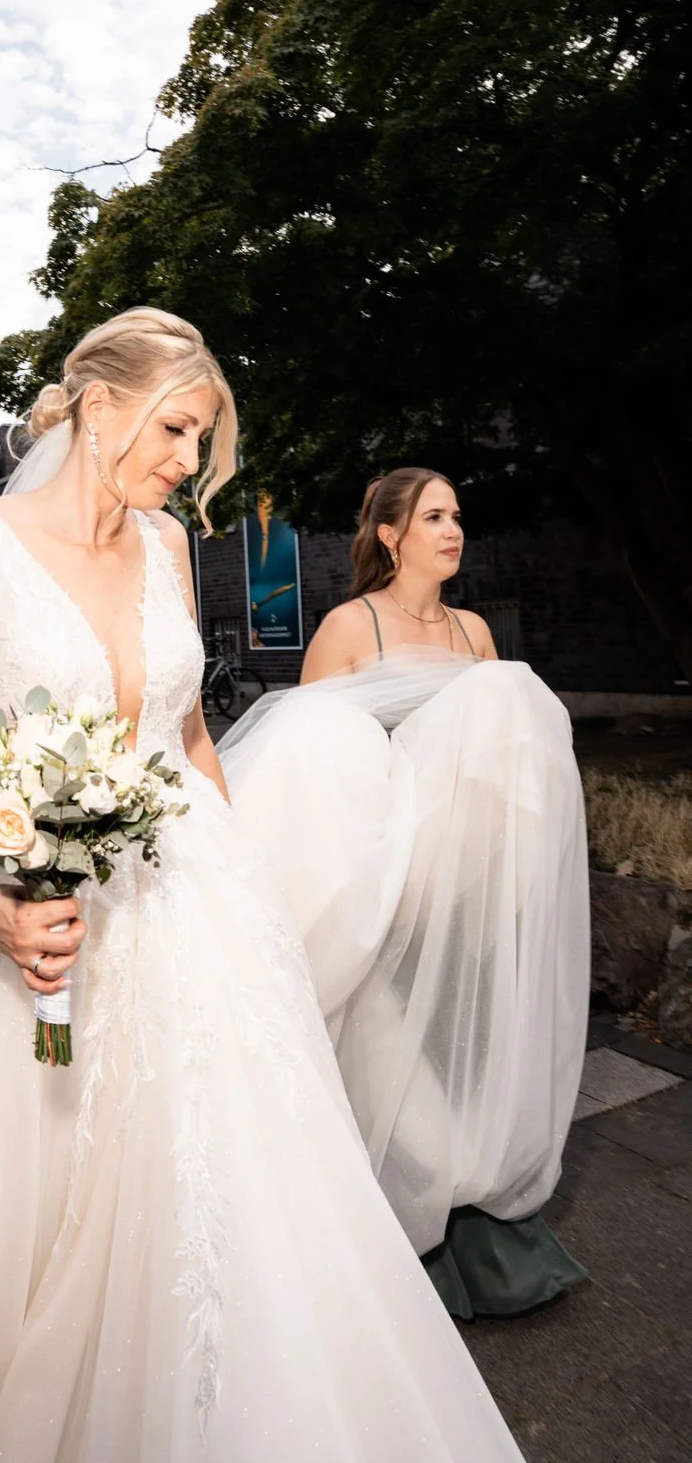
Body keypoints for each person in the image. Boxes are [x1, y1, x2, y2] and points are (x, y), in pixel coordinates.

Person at [0, 313, 524, 1463]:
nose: (190, 462)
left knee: (239, 1210)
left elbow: (187, 736)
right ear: (99, 408)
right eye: (178, 428)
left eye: (200, 438)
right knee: (24, 1228)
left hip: (203, 916)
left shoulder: (165, 549)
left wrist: (251, 885)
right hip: (37, 925)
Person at [221, 468, 591, 1320]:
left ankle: (471, 1208)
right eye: (432, 516)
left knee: (457, 1046)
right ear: (389, 535)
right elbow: (305, 757)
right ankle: (377, 1226)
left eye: (456, 516)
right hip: (375, 853)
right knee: (375, 1041)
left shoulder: (473, 633)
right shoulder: (352, 626)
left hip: (466, 871)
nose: (451, 530)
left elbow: (508, 760)